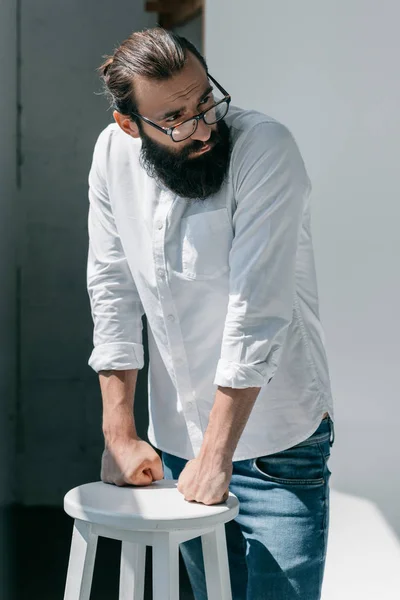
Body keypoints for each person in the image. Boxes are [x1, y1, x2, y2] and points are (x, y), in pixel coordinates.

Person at [86, 26, 335, 600]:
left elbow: (257, 310)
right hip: (177, 438)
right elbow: (112, 287)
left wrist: (216, 455)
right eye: (176, 119)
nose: (202, 127)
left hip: (279, 443)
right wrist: (118, 432)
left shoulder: (265, 147)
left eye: (206, 101)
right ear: (130, 124)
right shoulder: (110, 154)